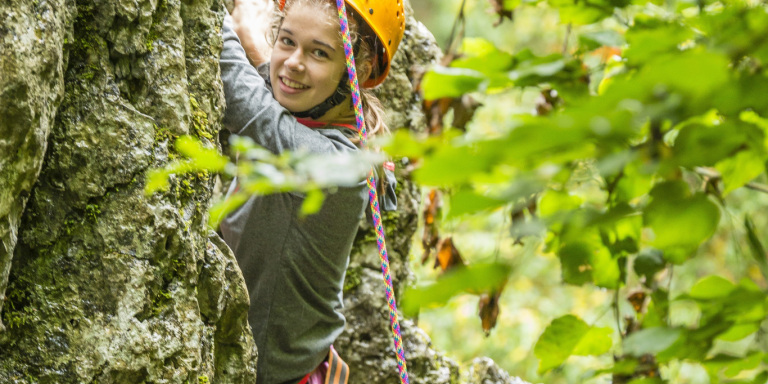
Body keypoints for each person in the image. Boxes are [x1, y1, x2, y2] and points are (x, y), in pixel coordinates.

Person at [218, 0, 405, 383]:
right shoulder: (310, 114)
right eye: (286, 41)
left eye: (319, 52)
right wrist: (251, 36)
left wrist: (216, 22)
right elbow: (268, 90)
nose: (292, 64)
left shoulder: (340, 166)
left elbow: (252, 107)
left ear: (358, 70)